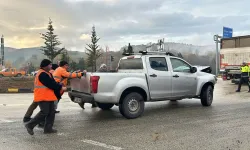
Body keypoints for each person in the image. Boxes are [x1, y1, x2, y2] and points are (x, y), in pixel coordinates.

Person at [25, 59, 67, 135]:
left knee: (51, 112)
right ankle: (30, 125)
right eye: (50, 65)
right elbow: (50, 84)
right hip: (42, 96)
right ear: (45, 66)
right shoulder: (42, 74)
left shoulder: (48, 73)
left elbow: (53, 82)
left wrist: (60, 85)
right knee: (44, 112)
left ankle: (48, 128)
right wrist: (60, 87)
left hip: (49, 96)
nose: (51, 66)